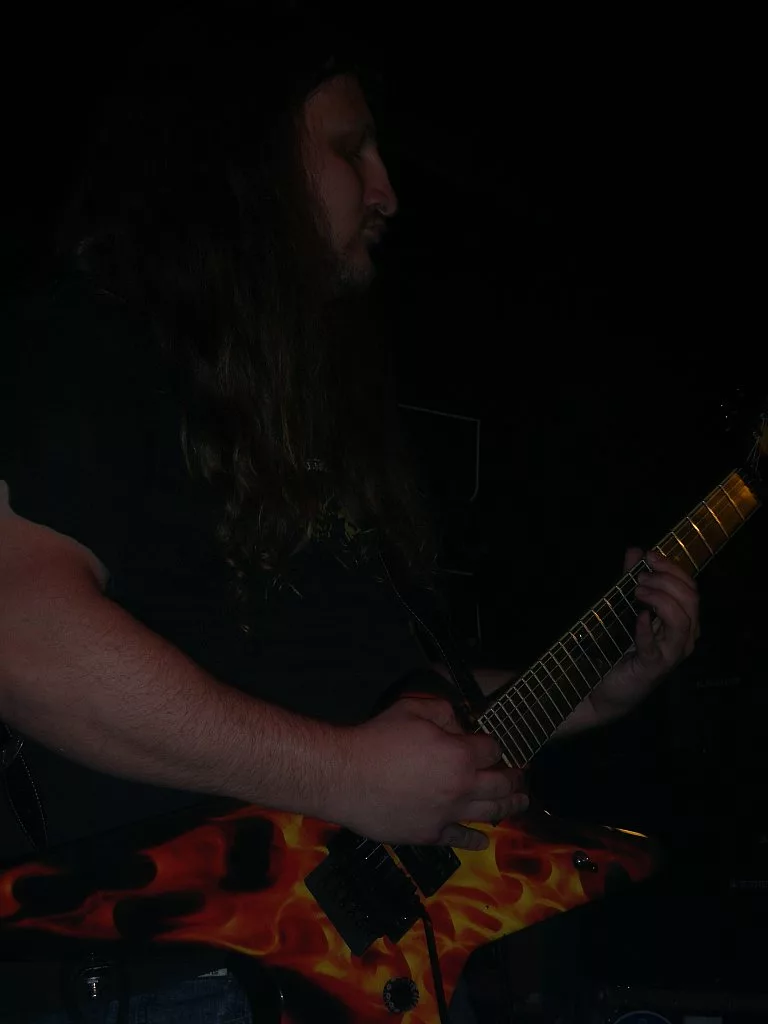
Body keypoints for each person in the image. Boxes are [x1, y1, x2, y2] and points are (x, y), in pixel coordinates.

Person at [0, 8, 700, 1022]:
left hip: (364, 965)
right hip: (176, 968)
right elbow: (21, 634)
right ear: (242, 165)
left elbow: (378, 708)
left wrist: (600, 686)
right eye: (349, 149)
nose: (387, 190)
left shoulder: (311, 420)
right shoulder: (84, 343)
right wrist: (343, 774)